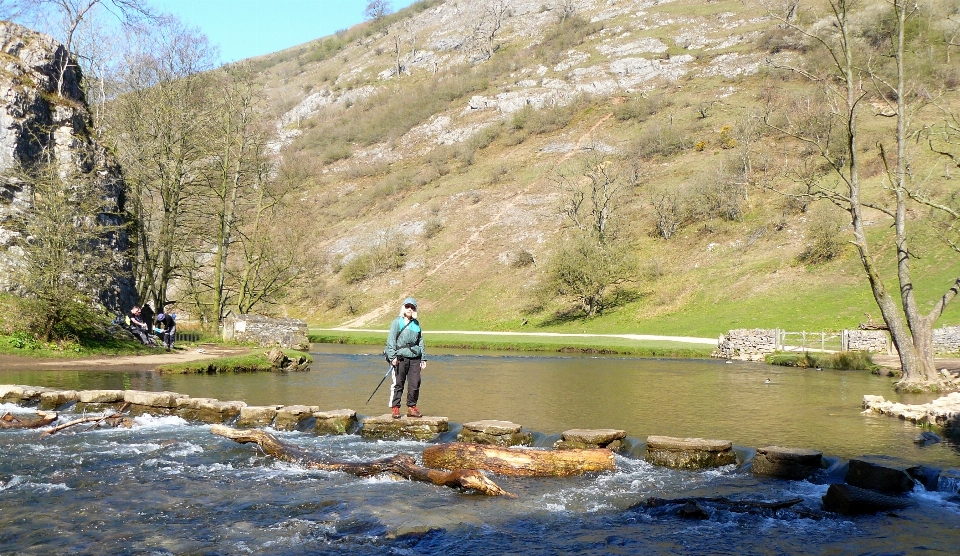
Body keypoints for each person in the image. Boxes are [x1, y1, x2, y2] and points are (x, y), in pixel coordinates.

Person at [385, 297, 426, 419]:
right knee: (399, 383)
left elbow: (421, 341)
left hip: (415, 357)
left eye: (412, 307)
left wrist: (423, 358)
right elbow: (391, 341)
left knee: (415, 382)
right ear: (403, 308)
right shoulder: (396, 322)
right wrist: (392, 357)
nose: (410, 309)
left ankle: (411, 407)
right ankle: (395, 407)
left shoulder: (416, 324)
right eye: (408, 306)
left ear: (414, 309)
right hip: (400, 357)